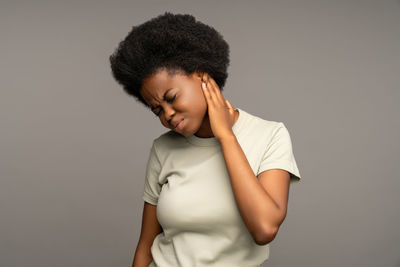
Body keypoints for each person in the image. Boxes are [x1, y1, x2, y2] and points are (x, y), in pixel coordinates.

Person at [109, 11, 301, 267]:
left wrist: (226, 137)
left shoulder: (270, 135)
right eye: (156, 109)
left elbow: (264, 228)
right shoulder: (163, 148)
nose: (167, 114)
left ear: (202, 76)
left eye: (171, 97)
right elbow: (146, 245)